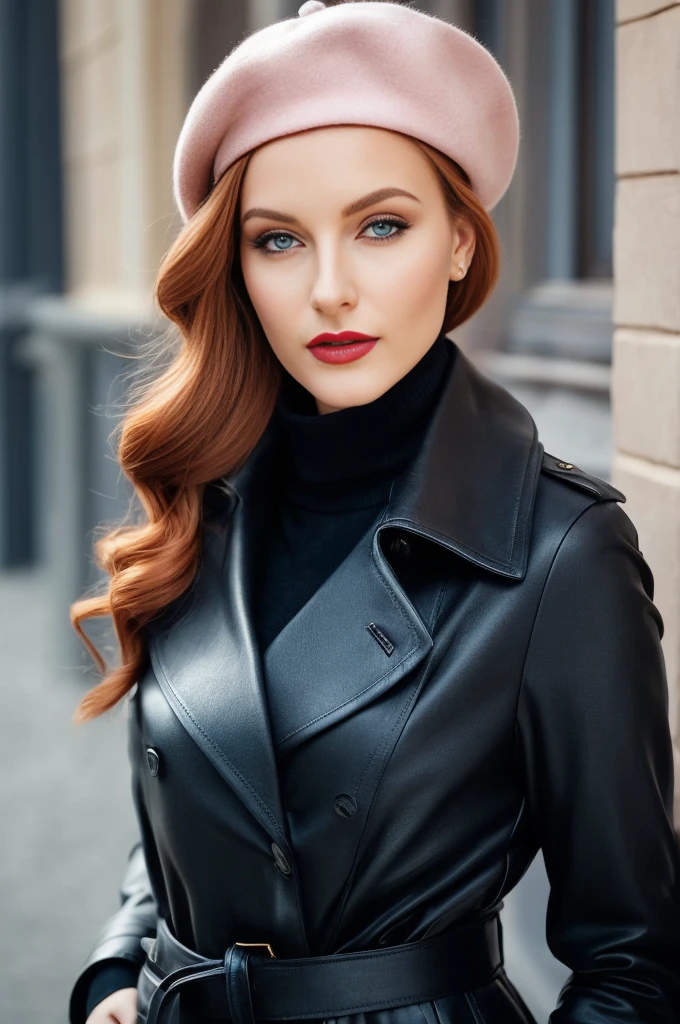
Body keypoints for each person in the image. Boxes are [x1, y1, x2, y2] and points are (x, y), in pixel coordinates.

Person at [67, 2, 680, 1023]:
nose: (330, 289)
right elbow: (205, 806)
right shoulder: (206, 495)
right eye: (277, 240)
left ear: (456, 242)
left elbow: (634, 967)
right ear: (237, 266)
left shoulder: (556, 551)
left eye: (380, 226)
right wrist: (119, 970)